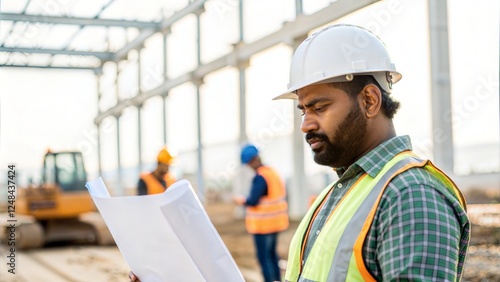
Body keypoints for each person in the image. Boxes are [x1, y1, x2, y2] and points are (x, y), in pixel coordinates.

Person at [273, 24, 470, 281]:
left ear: (369, 100)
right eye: (303, 111)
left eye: (319, 107)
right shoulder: (342, 192)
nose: (305, 125)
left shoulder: (410, 193)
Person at [233, 144, 289, 282]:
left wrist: (240, 200)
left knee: (265, 259)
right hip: (276, 222)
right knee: (272, 256)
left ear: (252, 160)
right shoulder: (272, 173)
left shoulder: (261, 177)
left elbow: (252, 201)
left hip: (264, 225)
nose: (248, 166)